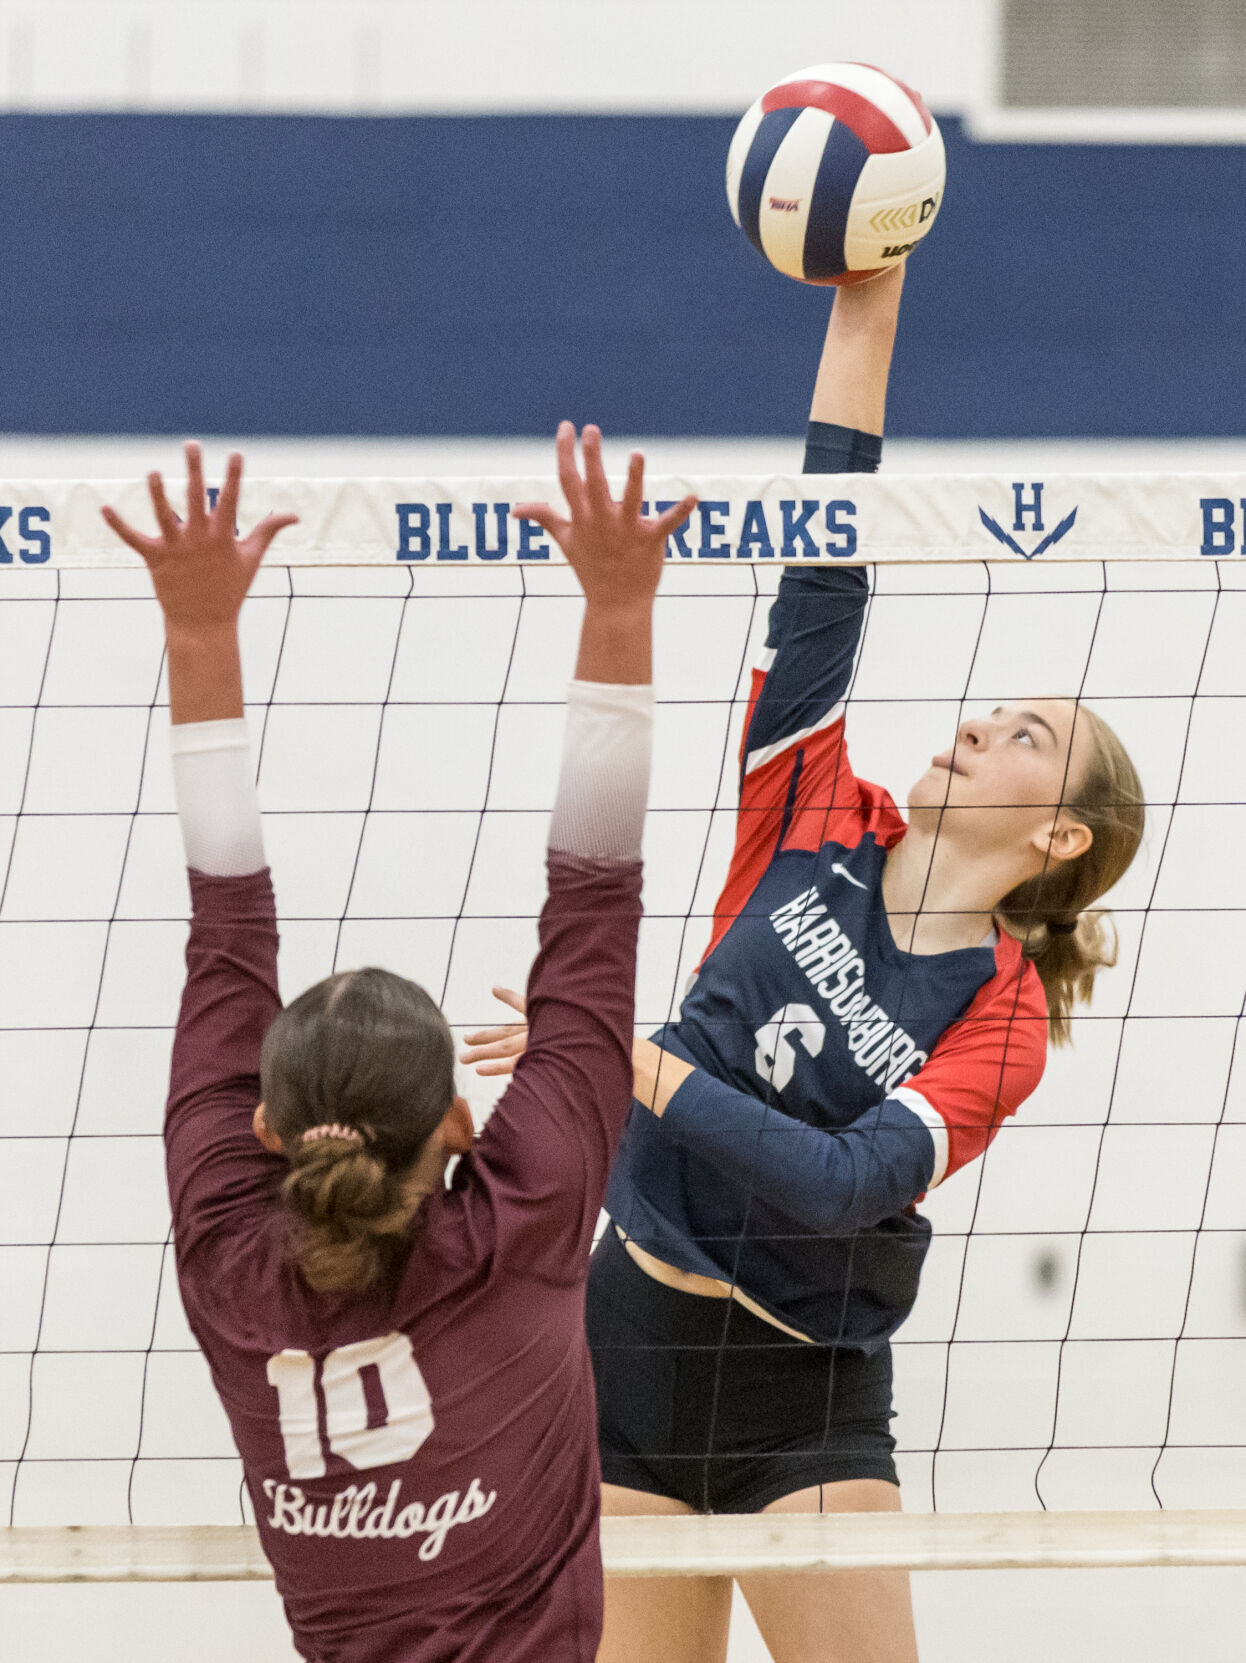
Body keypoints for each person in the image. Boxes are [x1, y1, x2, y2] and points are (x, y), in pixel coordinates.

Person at [460, 265, 1147, 1663]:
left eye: (1023, 735)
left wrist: (632, 1062)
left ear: (1059, 833)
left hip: (805, 1394)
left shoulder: (999, 1017)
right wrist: (863, 308)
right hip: (627, 1338)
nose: (976, 727)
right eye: (990, 709)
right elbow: (823, 559)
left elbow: (846, 1186)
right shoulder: (811, 804)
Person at [99, 430, 696, 1663]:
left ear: (266, 1129)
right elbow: (591, 902)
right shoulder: (516, 1223)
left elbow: (225, 936)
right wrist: (620, 608)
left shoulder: (230, 1252)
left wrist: (199, 634)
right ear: (463, 1128)